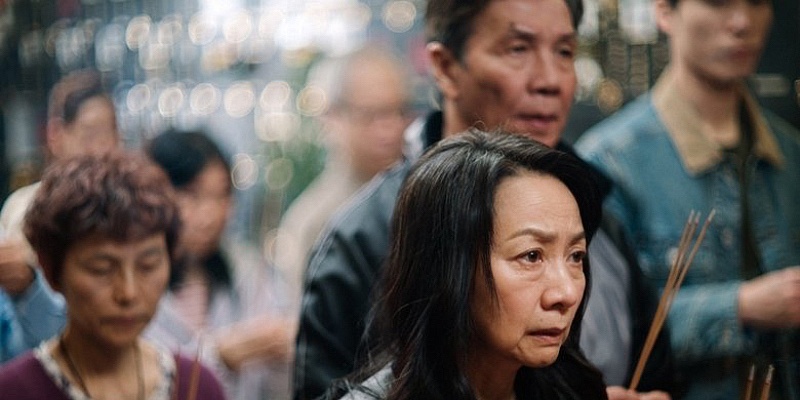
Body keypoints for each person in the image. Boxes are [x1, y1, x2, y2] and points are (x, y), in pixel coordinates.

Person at [294, 0, 675, 399]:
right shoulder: (364, 236)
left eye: (565, 52)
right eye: (518, 49)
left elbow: (655, 371)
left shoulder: (597, 211)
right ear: (445, 67)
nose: (551, 80)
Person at [575, 0, 800, 399]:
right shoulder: (611, 162)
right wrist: (741, 306)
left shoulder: (790, 153)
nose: (742, 22)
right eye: (718, 2)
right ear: (665, 11)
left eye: (757, 2)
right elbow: (598, 331)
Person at [327, 130, 607, 399]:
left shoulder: (573, 390)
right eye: (531, 256)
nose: (566, 293)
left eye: (575, 256)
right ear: (447, 267)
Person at [0, 151, 226, 399]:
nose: (128, 293)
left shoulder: (197, 386)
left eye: (148, 265)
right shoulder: (13, 391)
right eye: (101, 269)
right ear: (51, 269)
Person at [144, 129, 296, 400]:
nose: (211, 214)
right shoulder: (136, 285)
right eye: (192, 195)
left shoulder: (246, 270)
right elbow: (143, 377)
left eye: (222, 195)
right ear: (155, 195)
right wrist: (220, 355)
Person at [274, 44, 412, 301]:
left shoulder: (423, 189)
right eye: (372, 115)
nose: (391, 128)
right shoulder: (314, 223)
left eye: (399, 111)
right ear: (332, 117)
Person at [0, 68, 117, 359]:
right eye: (91, 133)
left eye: (111, 132)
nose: (103, 147)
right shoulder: (26, 208)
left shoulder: (124, 210)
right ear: (56, 135)